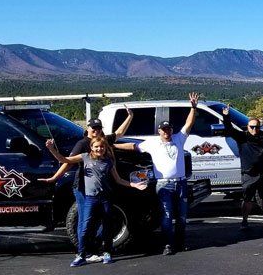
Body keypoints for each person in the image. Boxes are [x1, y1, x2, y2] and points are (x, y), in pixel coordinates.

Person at [38, 107, 134, 263]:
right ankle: (85, 252)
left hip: (104, 189)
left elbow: (119, 133)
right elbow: (67, 162)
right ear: (88, 129)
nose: (96, 130)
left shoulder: (103, 141)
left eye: (98, 128)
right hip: (83, 188)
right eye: (93, 128)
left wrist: (130, 116)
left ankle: (98, 248)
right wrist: (55, 177)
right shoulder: (82, 144)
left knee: (103, 219)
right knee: (85, 221)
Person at [117, 92, 198, 256]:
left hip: (181, 182)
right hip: (164, 184)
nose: (166, 132)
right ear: (159, 131)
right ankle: (168, 244)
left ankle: (180, 243)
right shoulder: (152, 143)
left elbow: (189, 124)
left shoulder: (179, 138)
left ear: (171, 130)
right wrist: (112, 146)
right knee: (166, 216)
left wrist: (193, 108)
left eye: (168, 129)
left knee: (182, 216)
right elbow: (133, 147)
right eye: (163, 129)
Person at [45, 137, 147, 267]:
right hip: (90, 198)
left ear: (105, 148)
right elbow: (64, 160)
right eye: (96, 147)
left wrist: (134, 185)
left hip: (105, 198)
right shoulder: (85, 157)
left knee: (107, 225)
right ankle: (81, 255)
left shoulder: (109, 161)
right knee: (85, 227)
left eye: (102, 147)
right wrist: (51, 149)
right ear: (92, 147)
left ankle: (107, 253)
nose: (99, 149)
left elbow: (118, 179)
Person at [220, 104, 263, 230]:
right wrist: (226, 116)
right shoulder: (242, 137)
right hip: (249, 174)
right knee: (247, 199)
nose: (255, 129)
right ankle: (244, 221)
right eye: (252, 127)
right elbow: (229, 129)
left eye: (257, 127)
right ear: (248, 127)